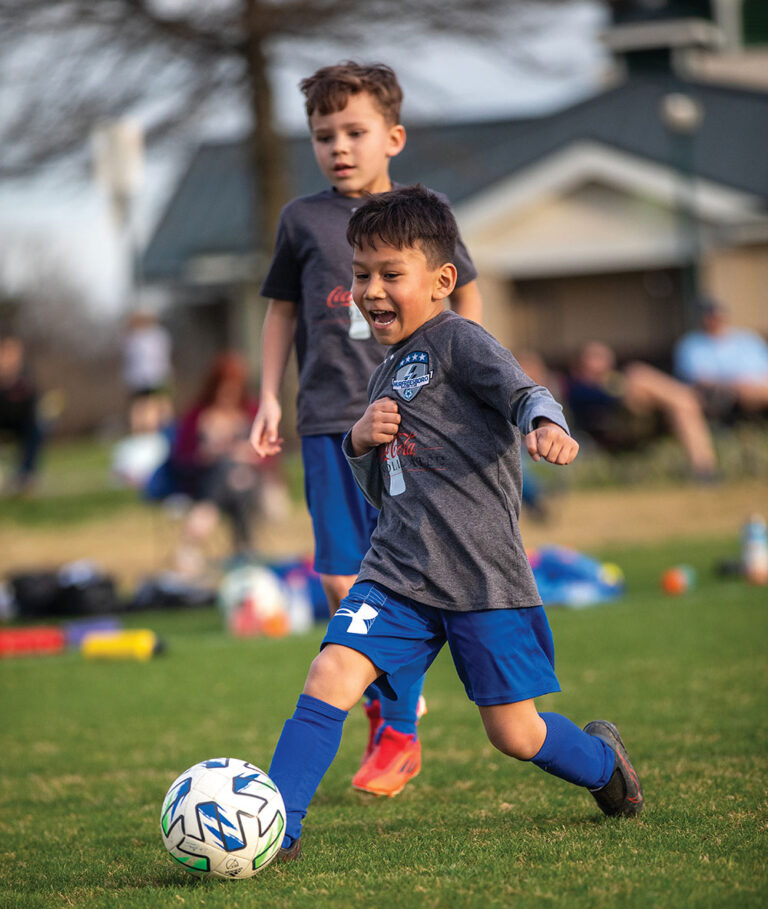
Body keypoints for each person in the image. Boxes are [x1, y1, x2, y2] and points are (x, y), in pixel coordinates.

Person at [267, 185, 644, 861]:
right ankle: (278, 829)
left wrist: (545, 423)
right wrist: (358, 441)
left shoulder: (461, 341)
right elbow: (386, 489)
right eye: (360, 275)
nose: (371, 290)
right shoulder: (386, 372)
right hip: (397, 574)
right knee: (330, 674)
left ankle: (603, 762)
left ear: (442, 280)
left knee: (514, 735)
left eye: (389, 275)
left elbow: (525, 391)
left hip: (480, 575)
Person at [250, 62, 483, 797]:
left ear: (394, 137)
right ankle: (395, 708)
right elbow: (281, 310)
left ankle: (398, 727)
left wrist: (467, 380)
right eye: (324, 135)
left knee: (402, 575)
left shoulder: (426, 211)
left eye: (355, 132)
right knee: (337, 578)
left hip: (413, 426)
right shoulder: (300, 220)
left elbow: (465, 293)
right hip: (330, 423)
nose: (339, 147)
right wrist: (267, 397)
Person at [567, 340, 718, 480]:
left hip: (643, 421)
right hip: (618, 430)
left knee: (681, 410)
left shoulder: (612, 380)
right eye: (595, 356)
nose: (602, 360)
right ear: (581, 362)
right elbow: (609, 398)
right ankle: (689, 396)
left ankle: (704, 469)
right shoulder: (579, 387)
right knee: (638, 375)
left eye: (604, 355)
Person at [170, 353, 264, 577]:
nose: (229, 395)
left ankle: (193, 539)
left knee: (234, 473)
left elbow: (268, 453)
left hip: (249, 481)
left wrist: (247, 453)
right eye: (224, 388)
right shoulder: (197, 415)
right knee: (226, 470)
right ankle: (245, 551)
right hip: (206, 481)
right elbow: (181, 457)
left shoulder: (251, 411)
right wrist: (205, 454)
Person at [674, 297, 768, 421]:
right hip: (722, 395)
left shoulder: (747, 338)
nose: (715, 319)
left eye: (718, 314)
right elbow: (700, 379)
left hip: (758, 386)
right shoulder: (691, 344)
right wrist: (736, 384)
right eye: (710, 315)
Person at [0, 334, 44, 495]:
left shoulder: (25, 378)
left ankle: (25, 475)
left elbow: (33, 407)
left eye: (16, 354)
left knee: (39, 427)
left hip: (21, 423)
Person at [122, 310, 173, 434]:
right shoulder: (156, 335)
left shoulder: (131, 337)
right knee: (153, 405)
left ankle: (150, 431)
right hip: (153, 376)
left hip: (141, 378)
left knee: (146, 406)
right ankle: (154, 430)